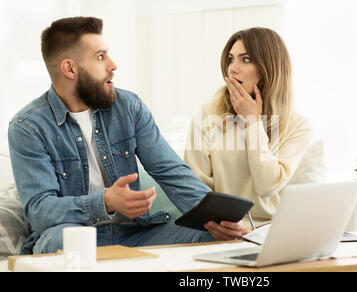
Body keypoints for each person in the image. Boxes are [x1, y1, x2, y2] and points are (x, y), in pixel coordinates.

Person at [8, 17, 216, 255]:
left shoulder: (129, 107)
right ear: (70, 68)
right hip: (73, 236)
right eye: (100, 56)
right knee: (56, 244)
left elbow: (172, 172)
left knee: (208, 235)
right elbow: (40, 210)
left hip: (137, 233)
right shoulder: (28, 127)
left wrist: (217, 219)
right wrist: (105, 201)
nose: (113, 64)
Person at [184, 27, 312, 240]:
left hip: (275, 233)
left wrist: (253, 123)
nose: (233, 69)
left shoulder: (298, 124)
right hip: (221, 230)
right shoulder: (207, 114)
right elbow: (195, 187)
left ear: (269, 67)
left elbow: (267, 185)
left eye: (245, 60)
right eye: (231, 59)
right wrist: (220, 224)